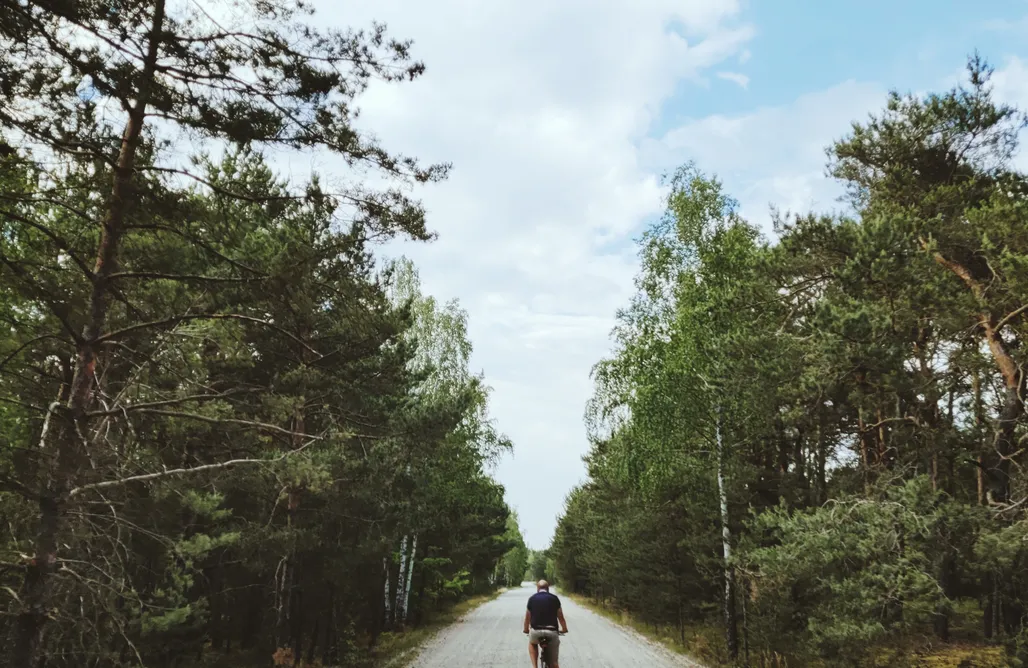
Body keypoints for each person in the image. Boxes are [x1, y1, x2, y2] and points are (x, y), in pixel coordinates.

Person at [523, 580, 568, 668]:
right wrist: (564, 629)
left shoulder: (532, 599)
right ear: (548, 588)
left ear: (537, 588)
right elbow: (561, 617)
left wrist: (526, 629)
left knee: (532, 643)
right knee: (554, 662)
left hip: (536, 631)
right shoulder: (554, 598)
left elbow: (527, 618)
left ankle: (535, 666)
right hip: (552, 631)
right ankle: (554, 665)